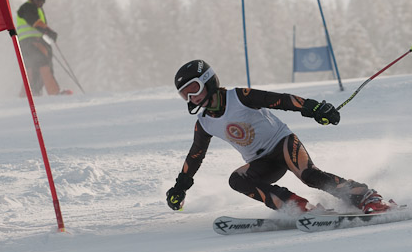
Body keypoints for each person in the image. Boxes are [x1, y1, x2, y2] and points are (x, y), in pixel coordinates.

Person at [166, 59, 395, 214]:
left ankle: (366, 196)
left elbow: (281, 100)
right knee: (237, 180)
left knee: (309, 175)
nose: (192, 97)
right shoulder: (204, 123)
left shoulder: (240, 97)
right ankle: (297, 207)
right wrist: (180, 187)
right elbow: (195, 156)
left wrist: (314, 109)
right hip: (262, 162)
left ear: (208, 80)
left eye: (194, 88)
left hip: (283, 144)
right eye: (185, 94)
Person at [16, 0, 70, 96]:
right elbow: (34, 22)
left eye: (42, 0)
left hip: (35, 42)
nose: (40, 2)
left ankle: (32, 93)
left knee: (35, 66)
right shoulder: (27, 7)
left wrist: (47, 35)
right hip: (28, 42)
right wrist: (48, 31)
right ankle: (53, 92)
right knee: (41, 63)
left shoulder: (37, 9)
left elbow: (39, 26)